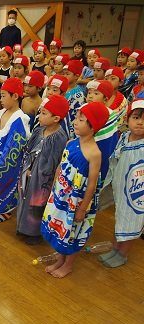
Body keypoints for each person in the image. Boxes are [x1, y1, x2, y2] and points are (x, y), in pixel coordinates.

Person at [41, 102, 108, 278]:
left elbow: (92, 184)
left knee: (73, 233)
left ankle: (68, 264)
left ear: (93, 125)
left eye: (81, 120)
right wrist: (54, 189)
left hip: (77, 202)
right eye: (76, 118)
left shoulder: (95, 153)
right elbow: (61, 166)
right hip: (62, 196)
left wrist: (82, 208)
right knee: (62, 231)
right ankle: (60, 259)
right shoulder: (71, 142)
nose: (75, 122)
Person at [16, 95, 69, 245]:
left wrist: (39, 173)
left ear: (56, 118)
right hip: (28, 173)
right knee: (24, 197)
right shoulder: (39, 130)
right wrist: (28, 168)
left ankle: (34, 232)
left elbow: (55, 162)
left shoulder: (59, 138)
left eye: (44, 113)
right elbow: (30, 150)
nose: (39, 116)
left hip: (43, 179)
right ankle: (22, 226)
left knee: (37, 204)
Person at [98, 99, 144, 267]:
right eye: (136, 117)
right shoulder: (124, 136)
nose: (140, 122)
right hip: (121, 187)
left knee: (132, 221)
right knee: (120, 219)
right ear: (127, 119)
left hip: (137, 193)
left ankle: (123, 254)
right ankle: (115, 249)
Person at [0, 77, 30, 222]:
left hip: (8, 159)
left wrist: (1, 160)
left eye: (4, 95)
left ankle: (6, 209)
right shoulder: (1, 113)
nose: (1, 99)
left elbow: (15, 145)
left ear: (15, 96)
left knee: (6, 179)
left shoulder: (20, 118)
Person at [62, 60, 85, 139]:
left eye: (67, 74)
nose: (64, 76)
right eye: (63, 73)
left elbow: (74, 116)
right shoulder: (61, 88)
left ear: (76, 76)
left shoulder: (78, 94)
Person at [105, 67, 128, 133]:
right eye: (106, 79)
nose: (108, 81)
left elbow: (123, 124)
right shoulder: (98, 95)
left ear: (120, 82)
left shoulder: (122, 101)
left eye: (113, 79)